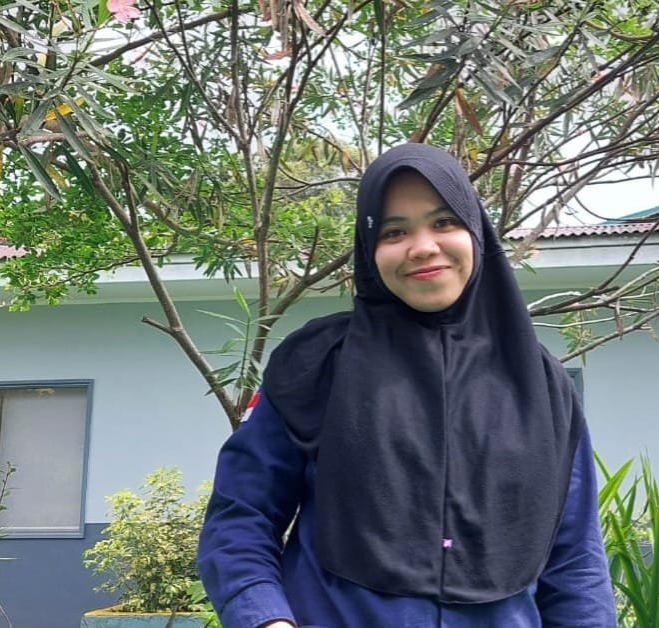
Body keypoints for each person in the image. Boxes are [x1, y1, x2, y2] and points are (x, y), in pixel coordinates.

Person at [197, 143, 617, 628]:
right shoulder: (317, 364)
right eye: (394, 231)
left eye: (444, 222)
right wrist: (265, 619)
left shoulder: (541, 385)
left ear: (476, 231)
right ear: (369, 248)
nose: (422, 247)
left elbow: (574, 561)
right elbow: (241, 516)